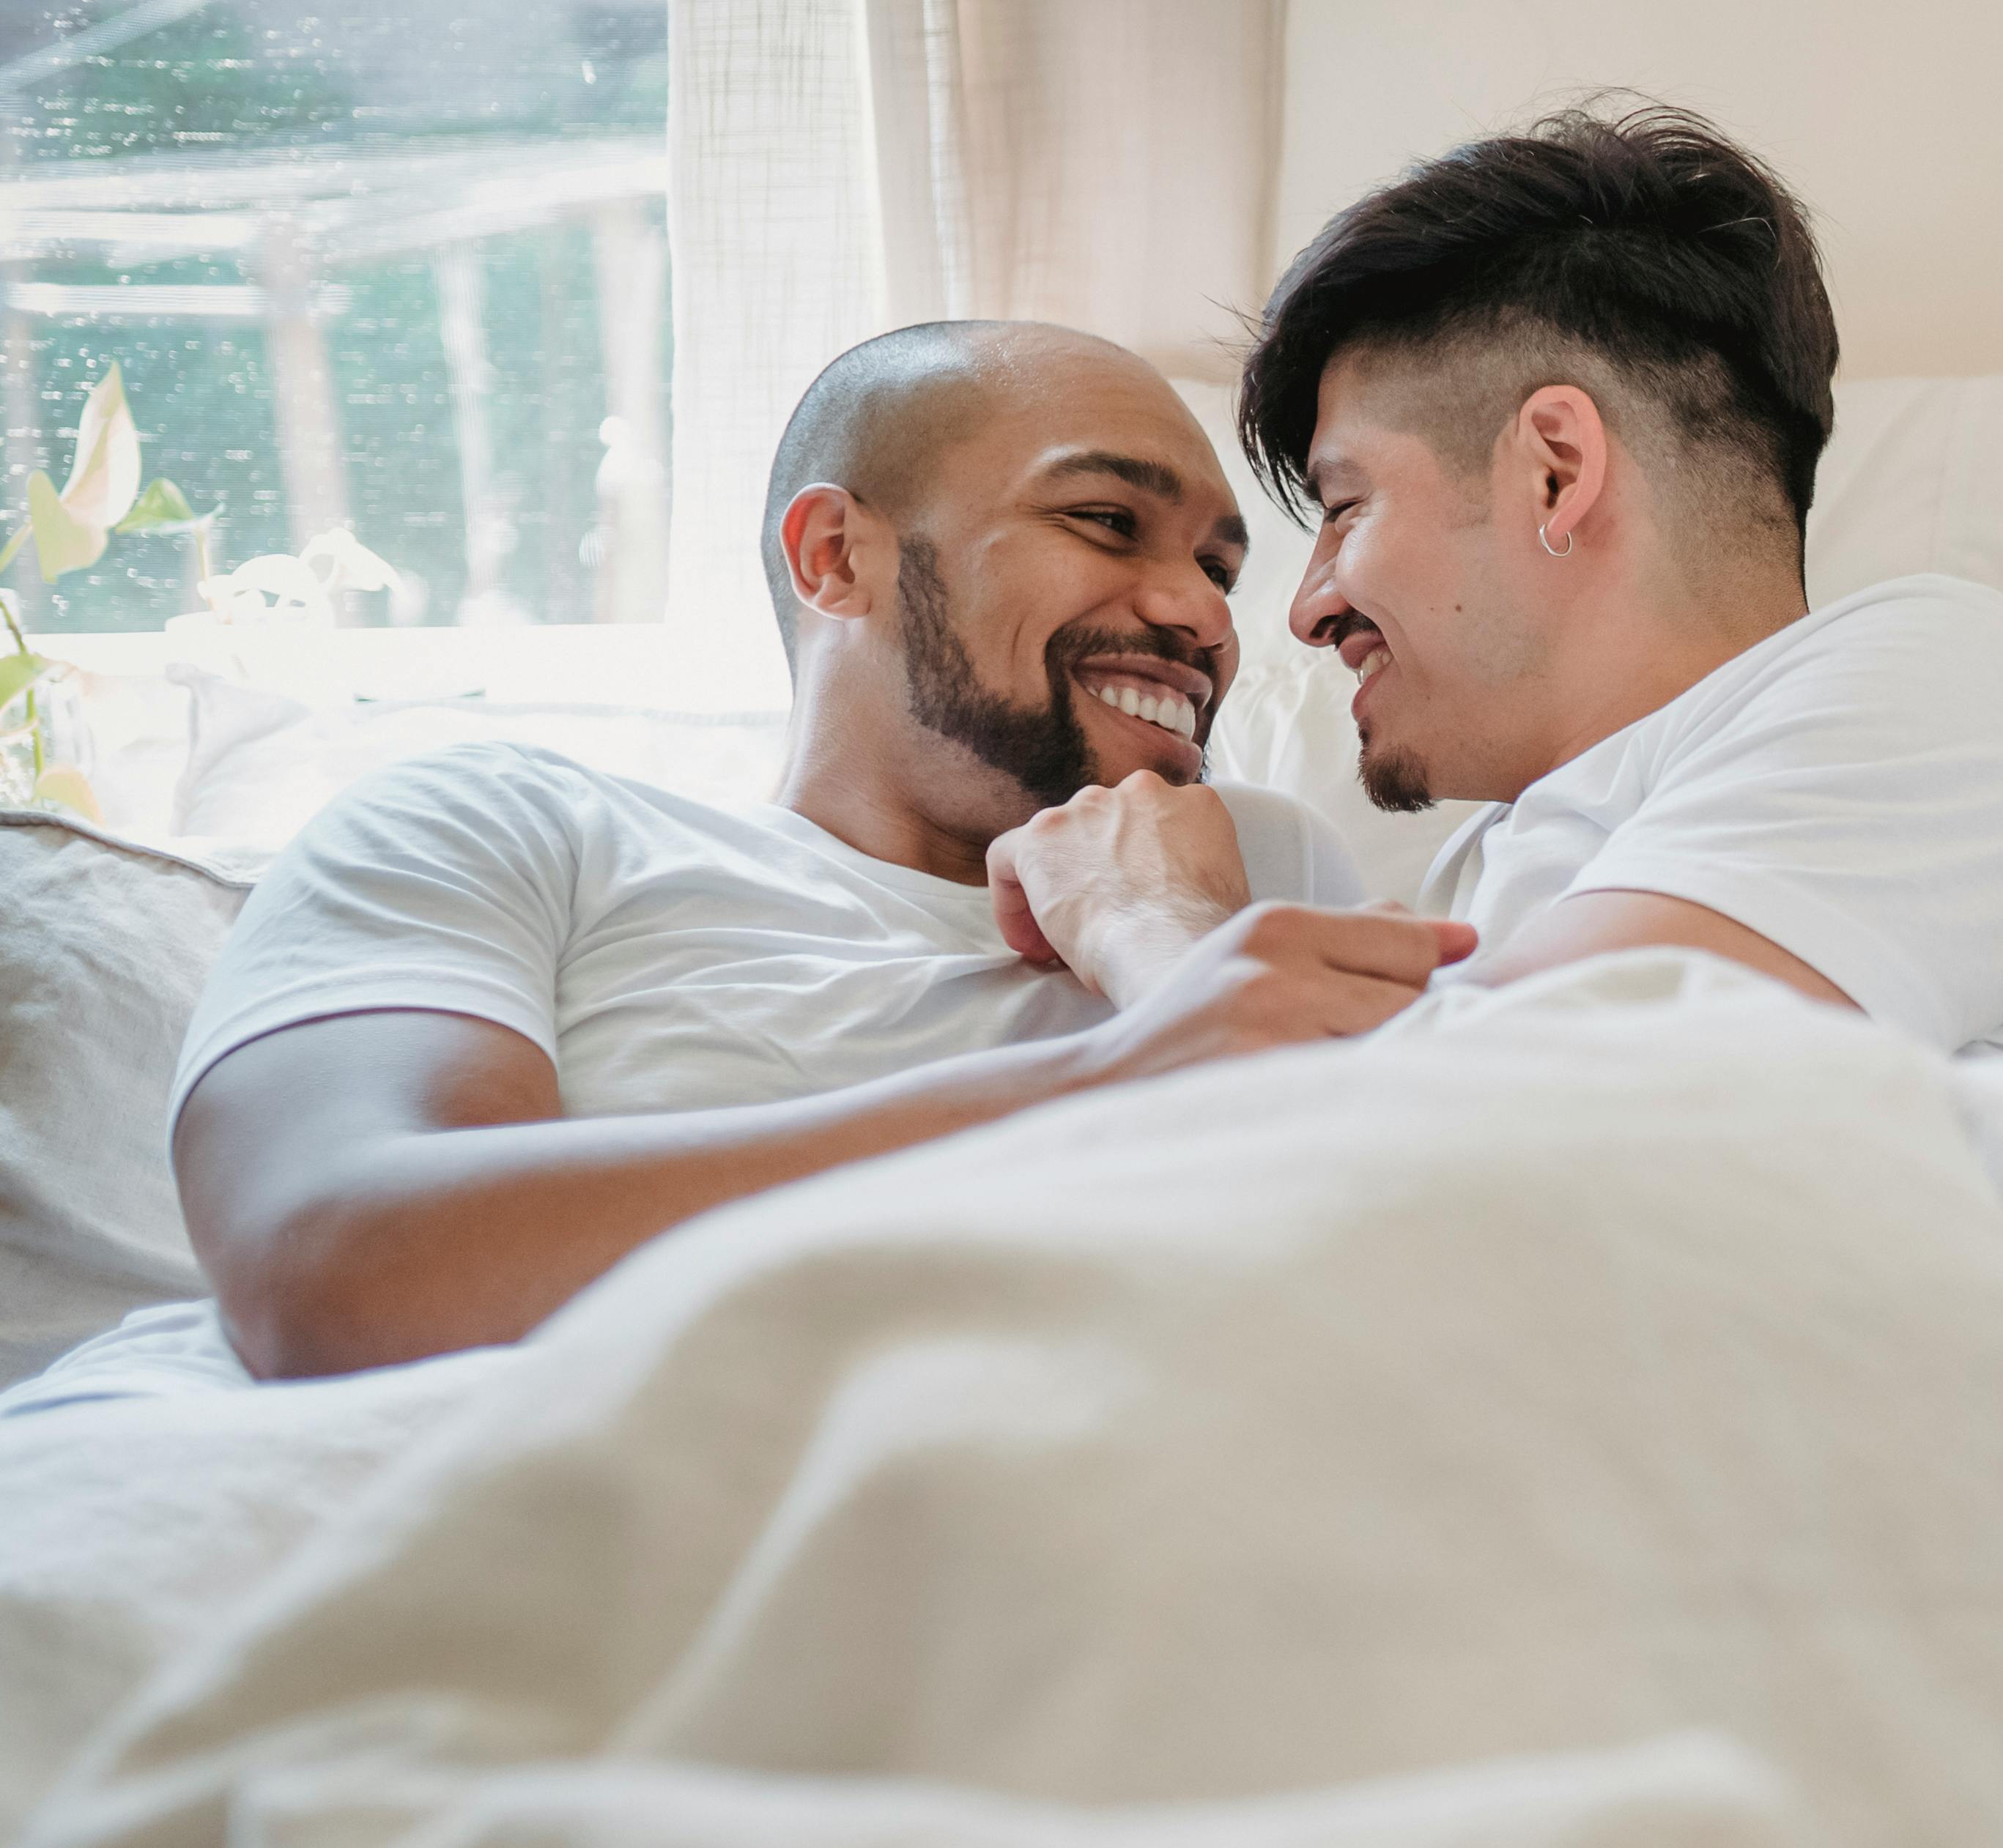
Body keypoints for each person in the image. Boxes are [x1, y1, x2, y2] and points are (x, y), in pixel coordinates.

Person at [93, 322, 1465, 1392]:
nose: (1196, 614)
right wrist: (1124, 1071)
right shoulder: (504, 828)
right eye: (1105, 522)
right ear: (833, 557)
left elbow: (1417, 1275)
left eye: (1220, 568)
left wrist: (1164, 936)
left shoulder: (1259, 864)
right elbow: (337, 1269)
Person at [987, 103, 2003, 1076]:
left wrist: (1152, 932)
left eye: (1346, 506)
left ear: (1555, 471)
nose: (1307, 610)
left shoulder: (1950, 688)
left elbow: (1503, 1159)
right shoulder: (1488, 870)